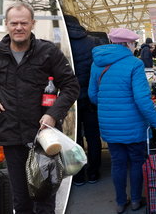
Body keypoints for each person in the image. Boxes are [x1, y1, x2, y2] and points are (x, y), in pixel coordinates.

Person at [0, 2, 79, 214]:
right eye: (14, 23)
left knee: (44, 199)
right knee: (20, 202)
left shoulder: (47, 52)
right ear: (6, 25)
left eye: (23, 23)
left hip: (44, 138)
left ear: (32, 24)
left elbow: (71, 86)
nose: (18, 27)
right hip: (12, 137)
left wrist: (52, 115)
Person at [88, 28, 156, 214]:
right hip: (134, 125)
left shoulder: (96, 63)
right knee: (137, 161)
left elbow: (92, 95)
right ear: (129, 44)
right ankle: (137, 200)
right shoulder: (134, 64)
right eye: (134, 44)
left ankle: (121, 202)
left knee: (118, 162)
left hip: (109, 124)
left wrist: (110, 105)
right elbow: (142, 100)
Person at [64, 14, 102, 186]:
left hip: (70, 98)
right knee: (93, 135)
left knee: (73, 137)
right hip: (91, 96)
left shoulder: (62, 43)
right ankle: (93, 172)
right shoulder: (93, 42)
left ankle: (78, 175)